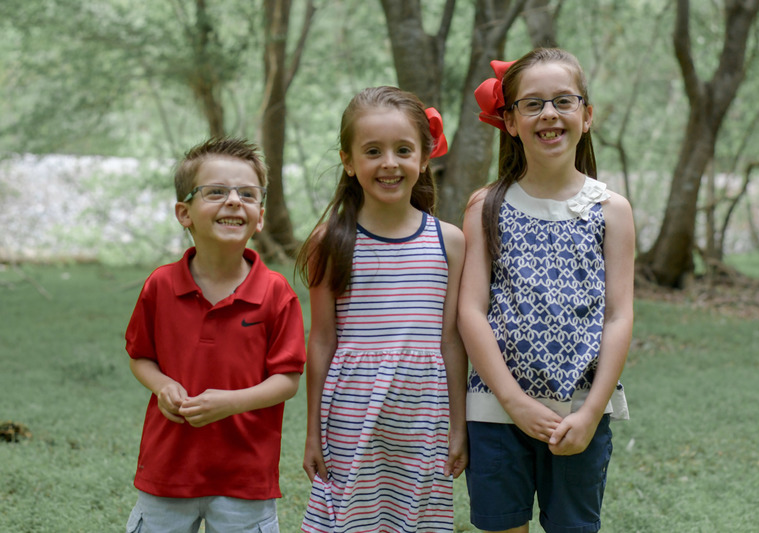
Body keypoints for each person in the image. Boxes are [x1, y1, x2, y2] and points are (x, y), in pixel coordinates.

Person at [459, 48, 635, 533]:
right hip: (496, 412)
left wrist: (592, 410)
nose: (549, 114)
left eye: (563, 100)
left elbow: (618, 317)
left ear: (587, 115)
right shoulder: (486, 205)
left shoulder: (611, 210)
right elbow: (471, 312)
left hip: (580, 414)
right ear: (510, 121)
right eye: (532, 104)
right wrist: (513, 401)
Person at [297, 86, 468, 532]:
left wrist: (457, 425)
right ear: (349, 162)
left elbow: (450, 340)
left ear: (424, 158)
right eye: (373, 151)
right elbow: (321, 340)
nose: (389, 162)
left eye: (403, 150)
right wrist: (313, 431)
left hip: (422, 414)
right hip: (352, 412)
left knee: (416, 520)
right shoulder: (331, 242)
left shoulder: (448, 241)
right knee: (350, 519)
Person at [124, 137, 306, 533]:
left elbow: (287, 380)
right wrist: (162, 386)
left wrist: (232, 402)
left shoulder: (276, 293)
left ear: (259, 216)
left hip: (245, 475)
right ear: (184, 212)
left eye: (247, 193)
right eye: (216, 192)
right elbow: (141, 356)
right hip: (167, 469)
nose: (234, 201)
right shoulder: (160, 285)